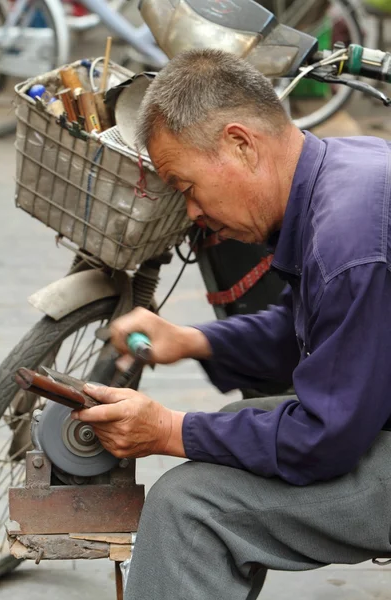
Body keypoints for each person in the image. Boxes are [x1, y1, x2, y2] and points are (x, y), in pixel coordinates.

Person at [71, 49, 391, 599]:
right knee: (239, 419)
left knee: (189, 507)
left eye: (186, 186)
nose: (192, 212)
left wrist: (169, 431)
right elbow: (319, 332)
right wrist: (195, 341)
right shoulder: (348, 170)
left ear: (241, 145)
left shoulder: (349, 242)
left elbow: (323, 438)